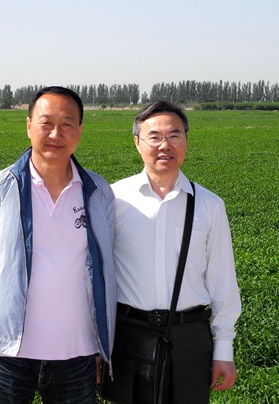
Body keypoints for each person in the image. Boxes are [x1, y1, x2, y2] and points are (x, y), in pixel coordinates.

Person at [0, 86, 116, 404]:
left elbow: (104, 265)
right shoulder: (0, 187)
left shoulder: (98, 192)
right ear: (28, 126)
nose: (55, 134)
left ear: (80, 130)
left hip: (77, 353)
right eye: (46, 123)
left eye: (67, 124)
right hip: (7, 353)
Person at [111, 101, 241, 403]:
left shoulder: (209, 205)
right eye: (154, 137)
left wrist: (224, 350)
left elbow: (222, 280)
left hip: (189, 337)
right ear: (137, 143)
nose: (164, 145)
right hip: (129, 334)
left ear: (186, 141)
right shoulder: (114, 199)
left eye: (174, 135)